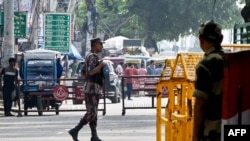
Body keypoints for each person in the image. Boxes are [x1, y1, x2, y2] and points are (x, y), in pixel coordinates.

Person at [69, 38, 106, 141]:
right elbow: (90, 72)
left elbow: (83, 72)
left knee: (94, 113)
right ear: (94, 45)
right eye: (100, 44)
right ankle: (75, 130)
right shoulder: (92, 57)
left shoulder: (90, 56)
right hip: (92, 89)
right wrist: (101, 66)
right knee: (92, 113)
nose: (101, 47)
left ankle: (94, 135)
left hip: (93, 87)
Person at [192, 20, 224, 141]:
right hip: (235, 127)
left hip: (213, 132)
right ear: (221, 39)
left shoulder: (205, 65)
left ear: (201, 40)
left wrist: (195, 136)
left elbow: (200, 104)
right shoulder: (232, 59)